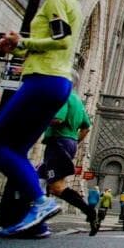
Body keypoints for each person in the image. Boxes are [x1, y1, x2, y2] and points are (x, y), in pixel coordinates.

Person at [0, 0, 93, 237]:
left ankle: (39, 202)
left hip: (43, 80)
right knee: (16, 149)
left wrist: (22, 42)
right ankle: (36, 223)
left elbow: (60, 39)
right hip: (56, 80)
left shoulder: (58, 1)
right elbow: (53, 46)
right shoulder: (70, 1)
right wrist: (14, 47)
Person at [37, 87, 99, 236]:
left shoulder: (62, 96)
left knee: (57, 187)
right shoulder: (77, 100)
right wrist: (74, 141)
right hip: (68, 142)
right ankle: (38, 217)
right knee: (41, 177)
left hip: (58, 142)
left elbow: (58, 119)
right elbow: (86, 128)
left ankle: (89, 212)